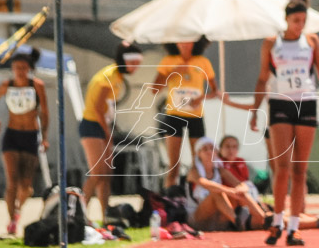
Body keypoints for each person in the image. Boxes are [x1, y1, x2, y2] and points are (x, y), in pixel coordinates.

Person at [249, 0, 319, 246]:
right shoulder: (272, 43)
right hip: (280, 103)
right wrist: (254, 109)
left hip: (306, 103)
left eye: (303, 20)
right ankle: (276, 222)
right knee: (282, 168)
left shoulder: (312, 41)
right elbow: (262, 78)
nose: (300, 25)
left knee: (300, 170)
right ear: (286, 19)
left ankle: (294, 227)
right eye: (295, 20)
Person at [78, 41, 143, 218]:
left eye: (138, 63)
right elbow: (98, 108)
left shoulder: (117, 77)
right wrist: (107, 132)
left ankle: (106, 213)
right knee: (97, 173)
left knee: (106, 174)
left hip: (100, 125)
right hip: (93, 125)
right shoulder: (110, 76)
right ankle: (78, 210)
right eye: (134, 63)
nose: (136, 67)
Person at [0, 48, 49, 235]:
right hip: (12, 134)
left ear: (29, 69)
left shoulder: (36, 85)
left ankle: (18, 210)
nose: (20, 71)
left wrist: (44, 137)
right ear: (12, 69)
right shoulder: (8, 85)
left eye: (23, 67)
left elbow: (45, 113)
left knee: (26, 185)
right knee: (12, 181)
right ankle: (11, 219)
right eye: (16, 68)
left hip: (30, 135)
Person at [153, 38, 219, 190]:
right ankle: (170, 198)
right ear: (175, 43)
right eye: (181, 41)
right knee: (173, 164)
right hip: (173, 115)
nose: (184, 44)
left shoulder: (202, 62)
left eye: (189, 41)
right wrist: (173, 72)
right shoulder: (168, 61)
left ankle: (196, 196)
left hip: (195, 116)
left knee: (198, 162)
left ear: (195, 43)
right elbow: (154, 89)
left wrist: (200, 98)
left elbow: (215, 91)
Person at [218, 135, 262, 203]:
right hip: (228, 195)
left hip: (242, 193)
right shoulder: (218, 163)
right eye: (227, 146)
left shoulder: (240, 161)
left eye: (234, 147)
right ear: (220, 149)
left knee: (249, 187)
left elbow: (245, 180)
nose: (231, 150)